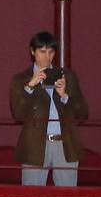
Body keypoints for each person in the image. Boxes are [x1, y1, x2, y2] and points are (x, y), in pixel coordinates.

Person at [9, 31, 87, 187]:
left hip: (65, 143)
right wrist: (30, 86)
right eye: (42, 51)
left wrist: (64, 95)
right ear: (32, 52)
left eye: (51, 52)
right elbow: (18, 113)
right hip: (35, 144)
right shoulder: (21, 79)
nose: (47, 57)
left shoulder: (67, 76)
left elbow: (83, 113)